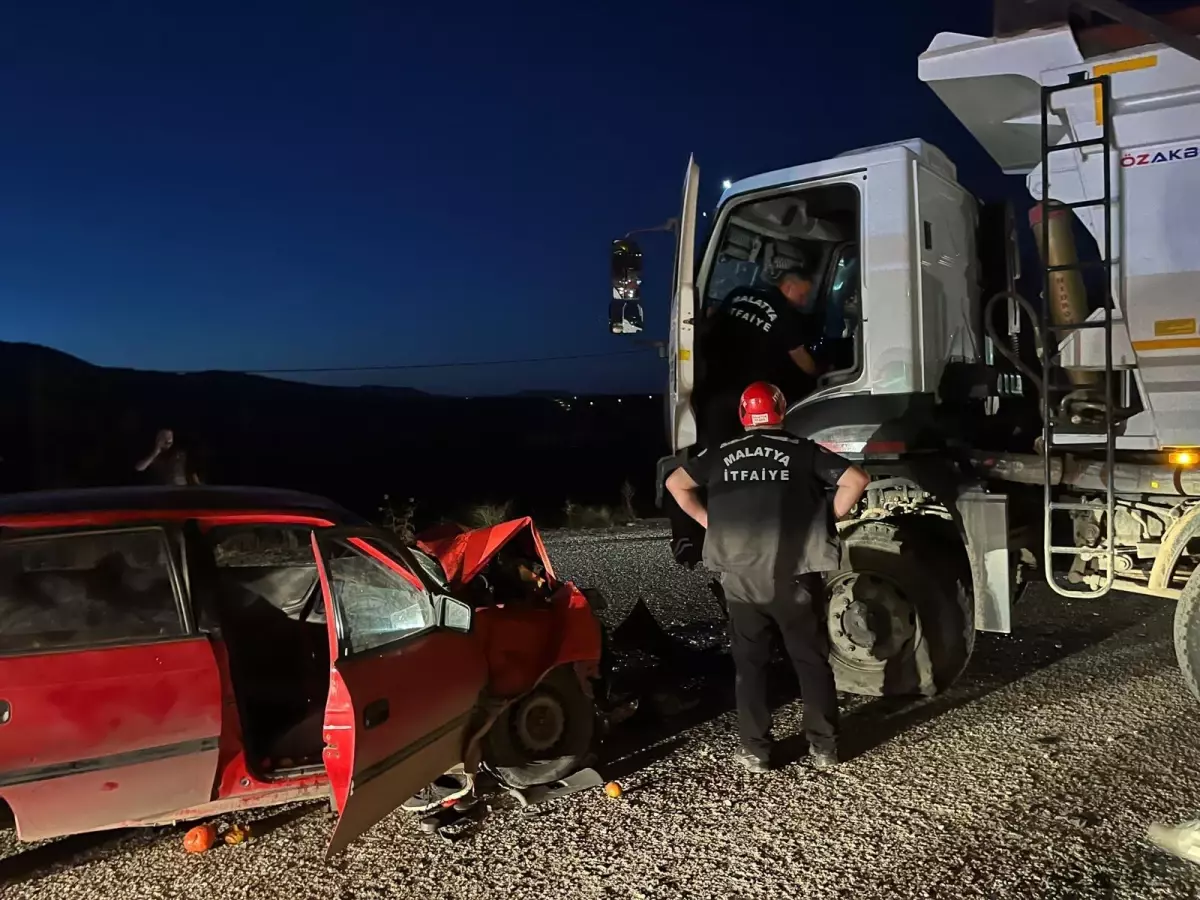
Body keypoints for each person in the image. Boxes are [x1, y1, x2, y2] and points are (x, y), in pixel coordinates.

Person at [665, 381, 870, 773]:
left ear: (744, 415)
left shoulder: (721, 453)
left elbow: (676, 484)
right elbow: (856, 480)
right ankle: (824, 747)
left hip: (741, 580)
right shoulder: (800, 450)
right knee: (810, 662)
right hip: (793, 578)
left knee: (751, 665)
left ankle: (756, 750)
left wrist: (711, 522)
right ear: (781, 411)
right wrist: (826, 519)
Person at [696, 265, 824, 449]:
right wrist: (820, 376)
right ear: (789, 287)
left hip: (712, 380)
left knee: (713, 442)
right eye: (802, 296)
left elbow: (712, 318)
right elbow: (800, 357)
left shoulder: (739, 293)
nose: (803, 303)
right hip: (746, 389)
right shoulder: (785, 313)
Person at [135, 428, 199, 486]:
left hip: (179, 490)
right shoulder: (153, 455)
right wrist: (156, 452)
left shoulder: (179, 454)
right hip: (161, 491)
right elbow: (139, 468)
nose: (168, 440)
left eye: (170, 437)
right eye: (164, 437)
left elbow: (191, 472)